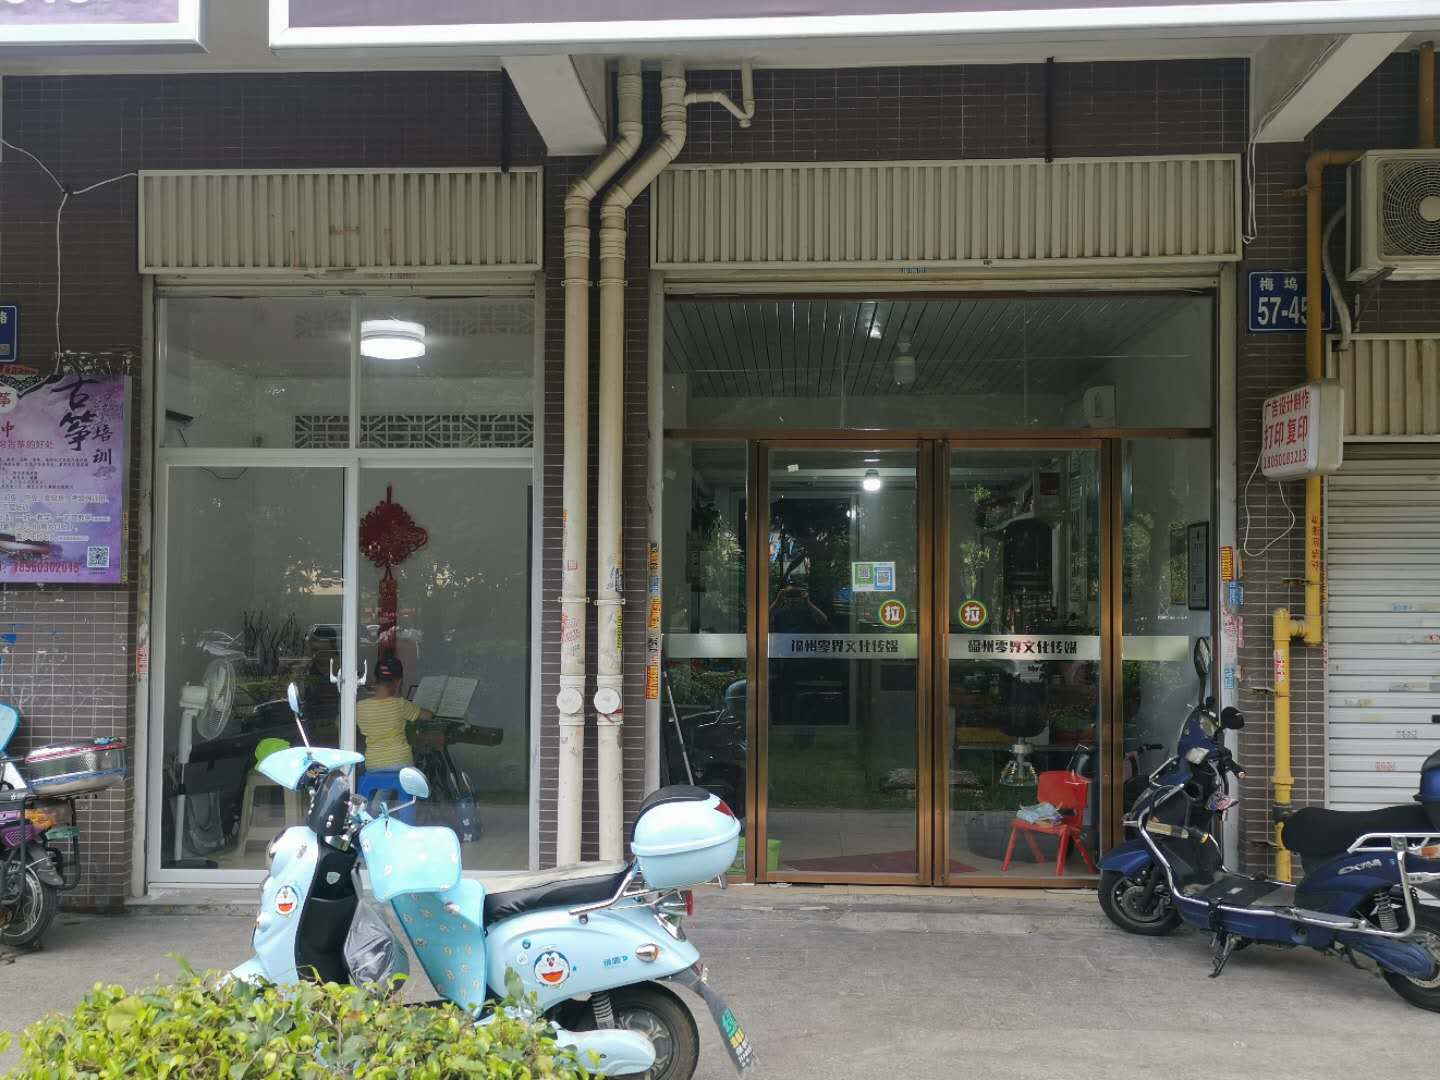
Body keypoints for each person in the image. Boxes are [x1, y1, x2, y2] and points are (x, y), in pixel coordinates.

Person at [355, 655, 432, 825]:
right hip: (400, 762)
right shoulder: (400, 704)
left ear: (375, 679)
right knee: (405, 780)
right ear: (398, 682)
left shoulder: (360, 707)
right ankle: (406, 818)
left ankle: (375, 810)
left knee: (384, 780)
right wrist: (430, 711)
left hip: (373, 764)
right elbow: (426, 715)